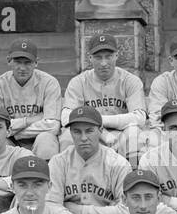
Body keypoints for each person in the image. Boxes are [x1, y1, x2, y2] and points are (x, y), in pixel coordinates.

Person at [47, 104, 130, 214]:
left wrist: (79, 210)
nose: (83, 138)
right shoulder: (58, 162)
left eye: (89, 131)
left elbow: (125, 212)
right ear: (70, 133)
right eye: (77, 132)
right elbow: (51, 207)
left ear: (101, 131)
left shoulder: (118, 164)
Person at [60, 31, 147, 163]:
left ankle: (132, 177)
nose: (104, 63)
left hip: (122, 133)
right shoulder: (78, 82)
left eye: (108, 56)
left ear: (116, 55)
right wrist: (101, 131)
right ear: (90, 58)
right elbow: (66, 117)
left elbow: (139, 117)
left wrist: (98, 120)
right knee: (67, 136)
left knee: (134, 132)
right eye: (98, 57)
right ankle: (74, 178)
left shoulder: (130, 80)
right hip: (90, 134)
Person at [0, 37, 62, 161]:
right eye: (18, 62)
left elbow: (53, 126)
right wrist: (29, 120)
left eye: (27, 62)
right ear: (9, 61)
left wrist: (15, 131)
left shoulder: (49, 83)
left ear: (36, 62)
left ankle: (46, 178)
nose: (22, 67)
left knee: (47, 140)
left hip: (37, 138)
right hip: (10, 141)